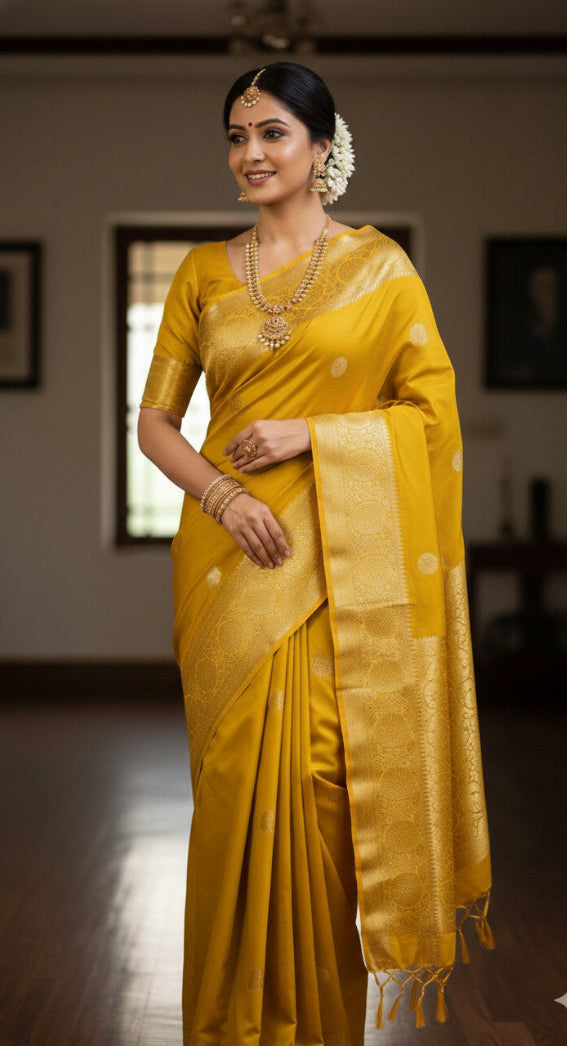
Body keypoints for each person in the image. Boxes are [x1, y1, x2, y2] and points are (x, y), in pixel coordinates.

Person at [138, 62, 494, 1046]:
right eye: (236, 136)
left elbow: (430, 419)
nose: (250, 154)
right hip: (228, 555)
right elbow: (156, 422)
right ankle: (225, 1023)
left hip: (340, 562)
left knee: (327, 781)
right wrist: (220, 490)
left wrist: (312, 436)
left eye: (272, 134)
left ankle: (322, 1026)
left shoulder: (382, 271)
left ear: (323, 146)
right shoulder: (204, 274)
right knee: (233, 789)